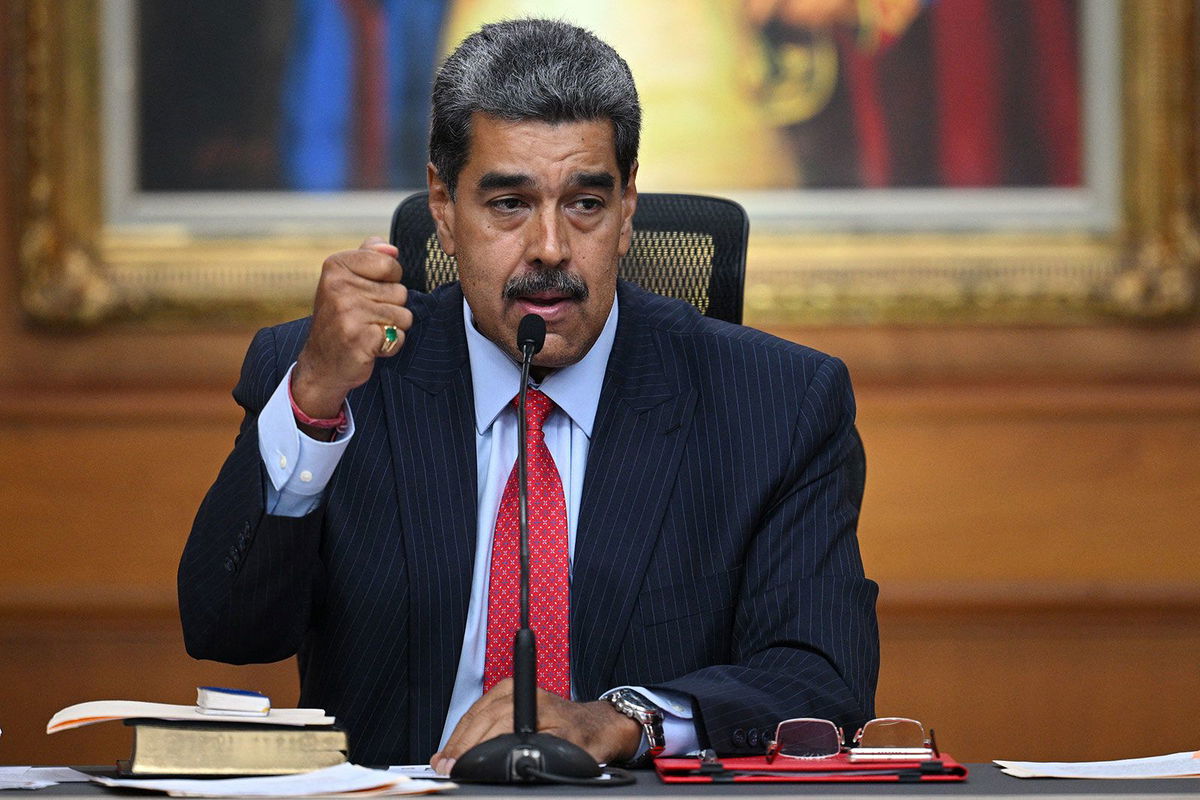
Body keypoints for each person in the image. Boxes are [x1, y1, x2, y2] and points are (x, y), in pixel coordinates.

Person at [179, 18, 879, 771]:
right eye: (509, 203)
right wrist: (312, 404)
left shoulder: (774, 404)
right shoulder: (339, 378)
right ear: (444, 209)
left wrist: (623, 719)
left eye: (585, 203)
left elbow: (824, 680)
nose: (550, 246)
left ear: (629, 207)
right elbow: (228, 630)